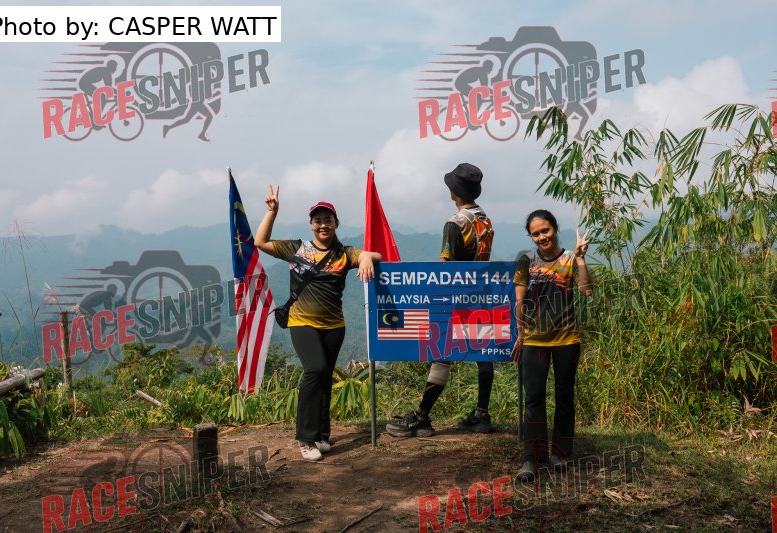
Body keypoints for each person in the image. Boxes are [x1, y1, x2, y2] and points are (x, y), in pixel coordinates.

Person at [254, 185, 382, 461]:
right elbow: (260, 242)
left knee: (325, 377)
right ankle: (306, 438)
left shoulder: (344, 253)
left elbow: (376, 255)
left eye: (328, 220)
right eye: (318, 221)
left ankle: (322, 435)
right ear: (311, 225)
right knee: (316, 370)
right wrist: (272, 212)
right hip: (302, 322)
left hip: (334, 326)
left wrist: (366, 258)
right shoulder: (297, 249)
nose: (323, 225)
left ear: (336, 223)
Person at [386, 163, 496, 438]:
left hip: (456, 298)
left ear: (454, 191)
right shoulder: (485, 220)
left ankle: (421, 417)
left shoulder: (455, 223)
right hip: (482, 296)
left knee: (441, 355)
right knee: (483, 355)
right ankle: (481, 414)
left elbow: (445, 267)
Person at [512, 209, 593, 483]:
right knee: (534, 399)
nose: (541, 237)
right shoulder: (526, 260)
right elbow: (519, 301)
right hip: (534, 340)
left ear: (555, 229)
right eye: (535, 234)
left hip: (566, 340)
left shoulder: (569, 258)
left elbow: (586, 290)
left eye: (545, 230)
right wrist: (520, 335)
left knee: (564, 397)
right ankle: (531, 459)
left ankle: (560, 453)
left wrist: (580, 259)